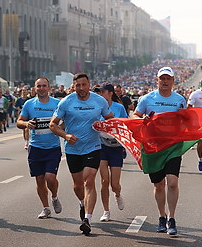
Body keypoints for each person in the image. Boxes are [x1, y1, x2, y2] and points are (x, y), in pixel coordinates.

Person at [49, 73, 113, 235]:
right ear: (74, 86)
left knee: (89, 179)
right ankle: (82, 203)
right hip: (73, 149)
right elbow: (53, 125)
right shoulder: (66, 102)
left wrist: (104, 126)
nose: (81, 88)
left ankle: (88, 219)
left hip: (93, 147)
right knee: (78, 185)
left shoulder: (99, 101)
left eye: (84, 85)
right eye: (78, 85)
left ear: (89, 84)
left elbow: (110, 119)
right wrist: (66, 136)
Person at [132, 66, 186, 235]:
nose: (165, 81)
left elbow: (186, 119)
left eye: (168, 79)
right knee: (159, 184)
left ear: (173, 81)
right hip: (153, 147)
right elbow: (135, 116)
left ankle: (172, 218)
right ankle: (161, 216)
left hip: (172, 146)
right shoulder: (147, 99)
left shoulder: (179, 100)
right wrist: (143, 119)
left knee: (172, 182)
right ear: (157, 80)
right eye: (162, 78)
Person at [17, 77, 63, 219]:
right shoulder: (29, 104)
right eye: (39, 86)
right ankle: (45, 208)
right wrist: (26, 124)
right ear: (35, 88)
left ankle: (54, 197)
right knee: (40, 179)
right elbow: (19, 121)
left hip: (52, 147)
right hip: (35, 147)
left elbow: (67, 120)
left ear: (49, 88)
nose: (41, 88)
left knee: (50, 178)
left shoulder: (57, 103)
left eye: (44, 86)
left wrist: (60, 129)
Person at [98, 83, 128, 222]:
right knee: (104, 181)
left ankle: (118, 194)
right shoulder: (97, 107)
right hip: (101, 146)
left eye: (102, 92)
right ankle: (106, 211)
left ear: (110, 93)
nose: (100, 94)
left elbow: (126, 124)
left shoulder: (119, 107)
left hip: (116, 148)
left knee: (114, 184)